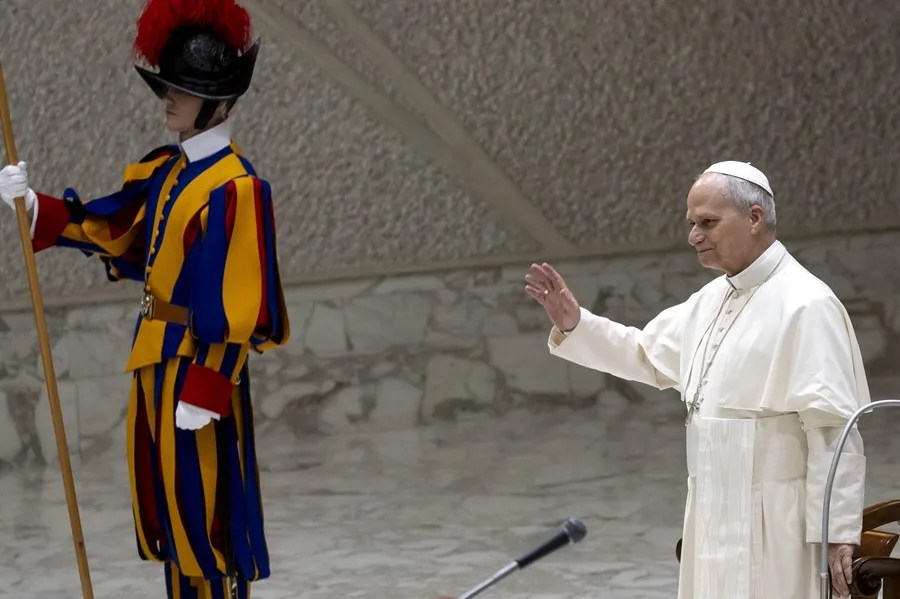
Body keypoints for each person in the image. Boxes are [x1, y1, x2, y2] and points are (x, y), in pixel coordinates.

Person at [0, 0, 289, 597]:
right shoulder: (169, 172)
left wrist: (208, 385)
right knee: (169, 514)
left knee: (206, 521)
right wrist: (36, 208)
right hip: (155, 362)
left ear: (221, 102)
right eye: (167, 85)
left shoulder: (236, 188)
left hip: (195, 370)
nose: (168, 98)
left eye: (181, 89)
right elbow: (121, 233)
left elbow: (241, 303)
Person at [524, 161, 867, 598]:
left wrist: (837, 533)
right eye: (691, 223)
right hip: (711, 508)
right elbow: (646, 354)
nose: (693, 237)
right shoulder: (712, 297)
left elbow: (835, 432)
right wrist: (577, 323)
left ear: (755, 218)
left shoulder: (808, 304)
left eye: (708, 222)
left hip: (777, 521)